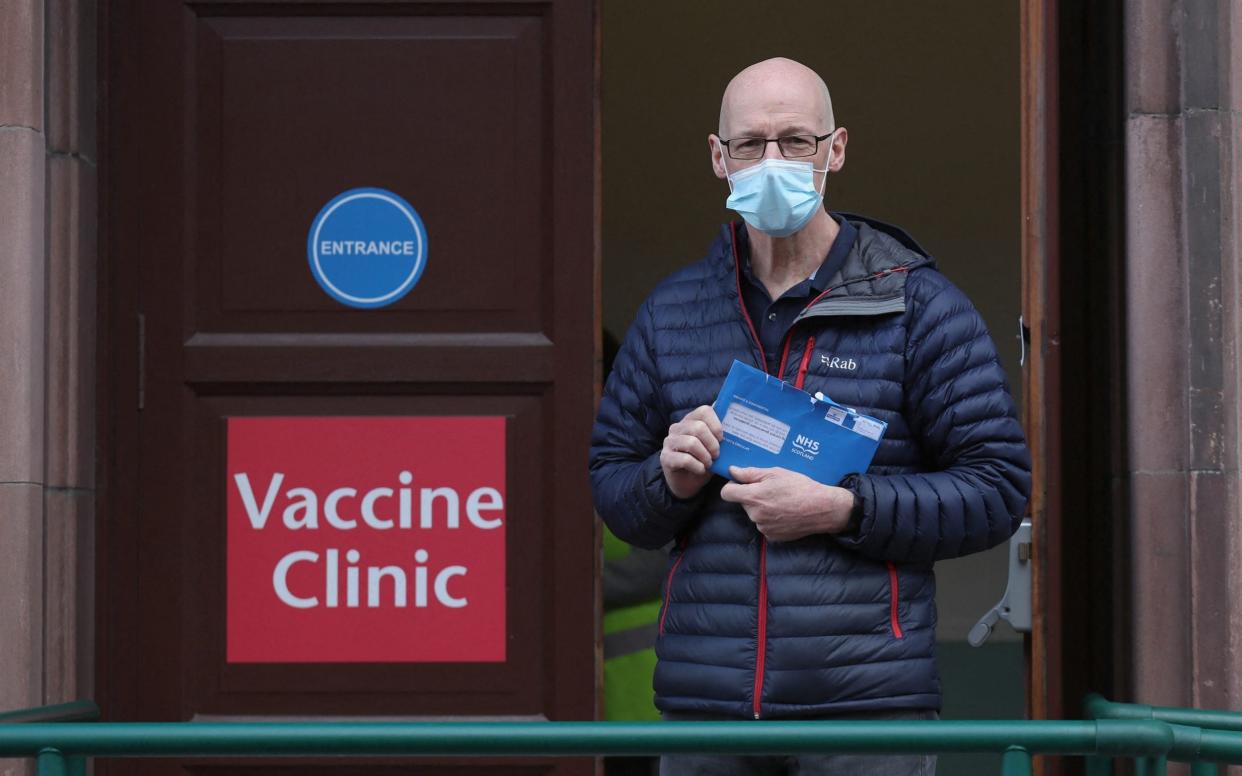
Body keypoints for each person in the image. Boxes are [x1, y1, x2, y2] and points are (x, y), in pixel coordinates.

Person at [588, 57, 1032, 775]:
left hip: (865, 717)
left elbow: (998, 489)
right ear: (717, 157)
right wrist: (666, 480)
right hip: (711, 719)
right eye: (749, 143)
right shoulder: (674, 312)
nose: (771, 161)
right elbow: (613, 488)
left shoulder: (917, 306)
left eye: (795, 141)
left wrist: (841, 509)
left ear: (837, 148)